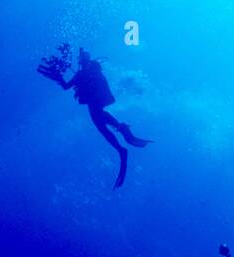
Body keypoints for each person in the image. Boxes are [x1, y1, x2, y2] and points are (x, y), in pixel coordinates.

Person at [38, 48, 150, 189]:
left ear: (82, 61)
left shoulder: (83, 73)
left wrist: (57, 77)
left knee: (103, 129)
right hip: (98, 103)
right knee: (104, 122)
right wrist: (57, 77)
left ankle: (122, 148)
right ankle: (124, 133)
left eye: (82, 60)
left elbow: (66, 86)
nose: (82, 62)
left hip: (94, 104)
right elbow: (69, 87)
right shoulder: (91, 72)